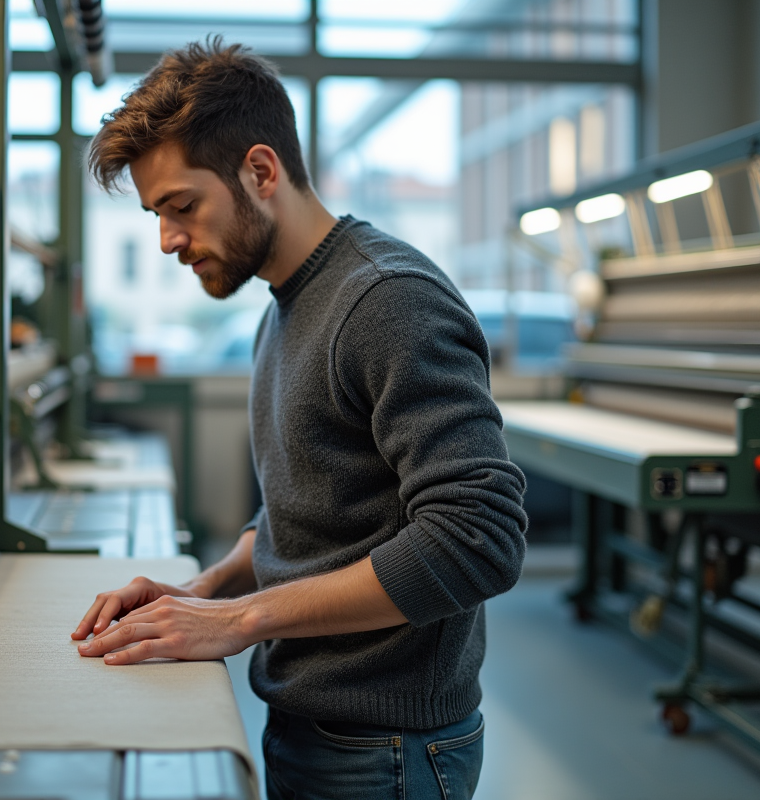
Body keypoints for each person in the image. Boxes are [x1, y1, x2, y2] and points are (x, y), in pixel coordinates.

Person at [71, 38, 528, 800]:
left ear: (260, 170)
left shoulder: (387, 301)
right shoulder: (282, 311)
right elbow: (308, 508)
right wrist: (205, 592)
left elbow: (478, 538)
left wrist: (242, 620)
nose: (168, 242)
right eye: (157, 215)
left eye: (182, 207)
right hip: (311, 729)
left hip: (386, 751)